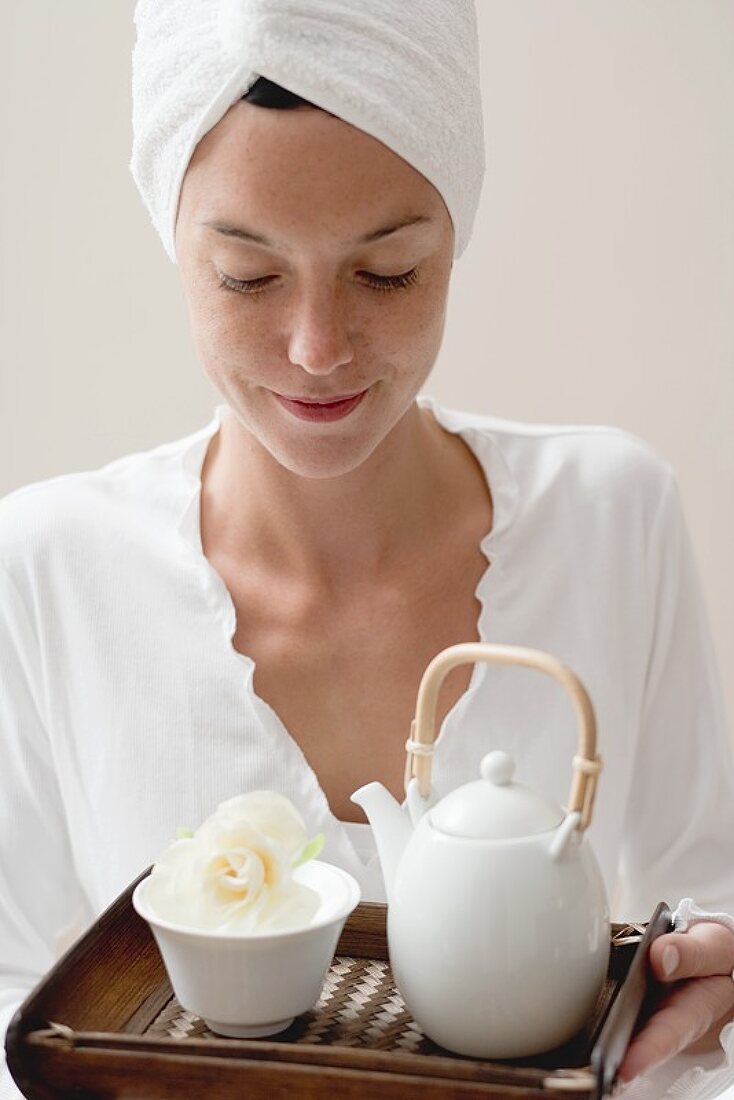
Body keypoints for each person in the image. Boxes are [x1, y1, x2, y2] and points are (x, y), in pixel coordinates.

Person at [1, 2, 733, 1098]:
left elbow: (707, 902)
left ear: (455, 230)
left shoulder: (609, 513)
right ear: (172, 239)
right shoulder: (50, 567)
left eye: (386, 270)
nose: (316, 349)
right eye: (246, 276)